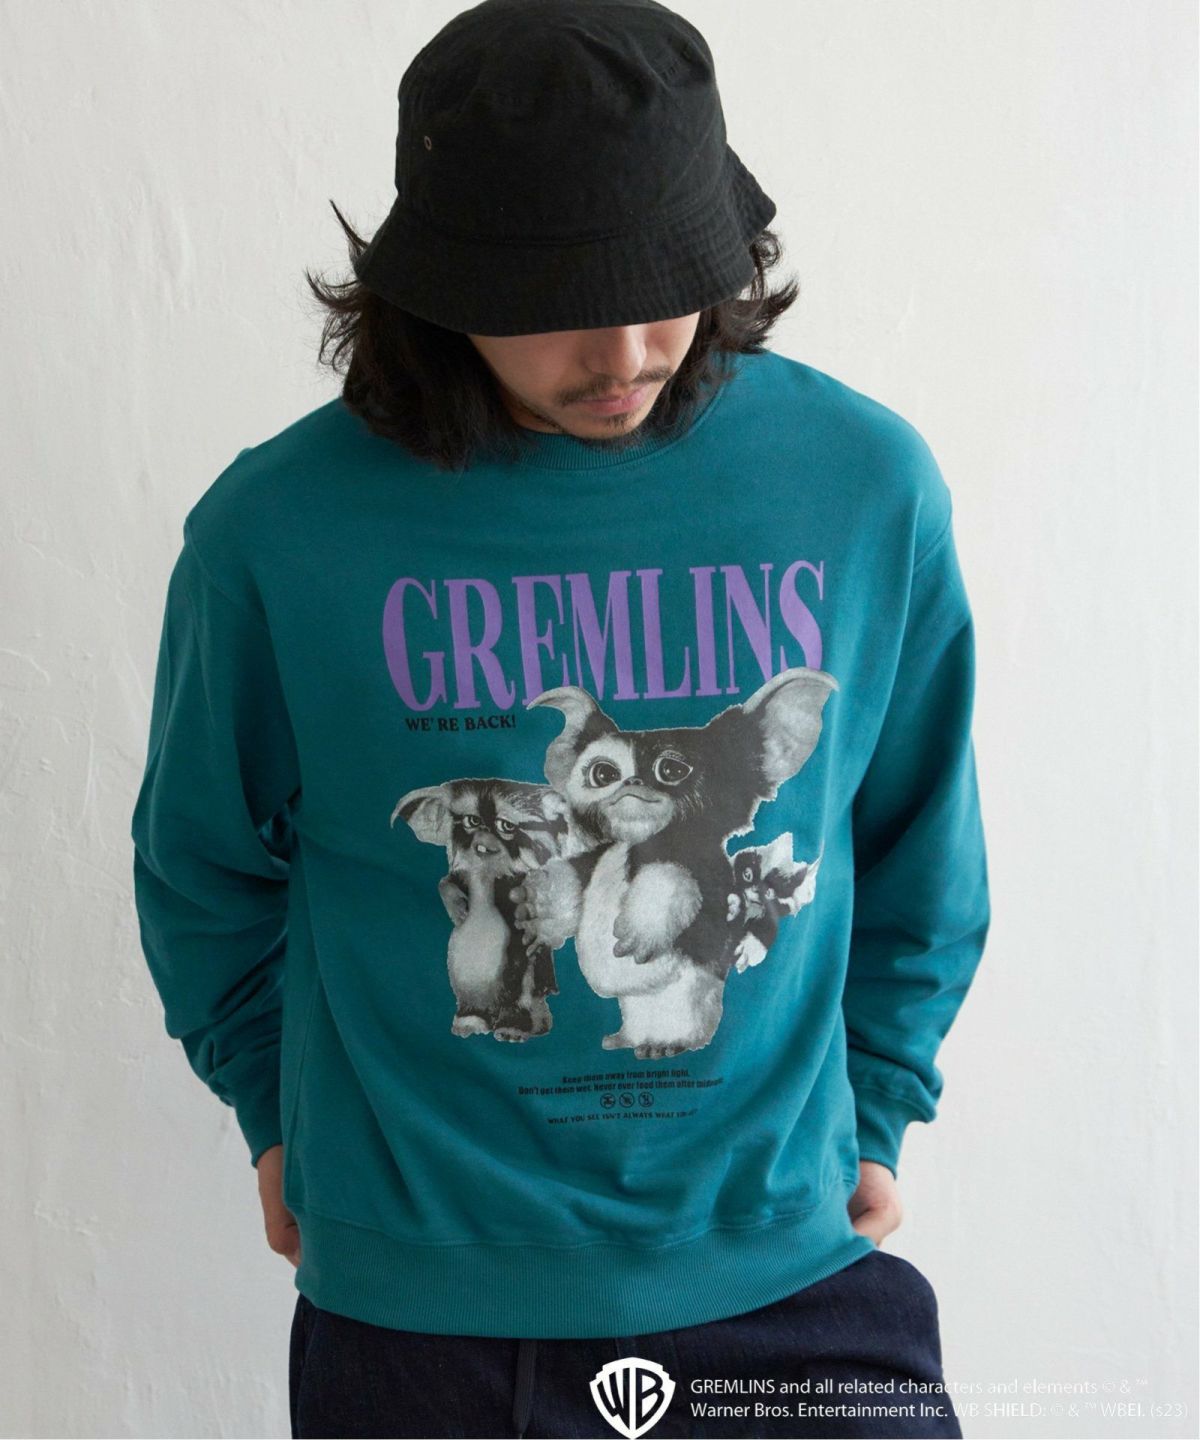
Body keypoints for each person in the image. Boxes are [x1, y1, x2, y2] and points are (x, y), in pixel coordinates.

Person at [129, 0, 990, 1435]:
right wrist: (277, 1117)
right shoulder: (278, 534)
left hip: (790, 1271)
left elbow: (917, 831)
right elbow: (201, 866)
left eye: (667, 282)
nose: (628, 348)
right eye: (559, 300)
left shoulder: (861, 486)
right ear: (439, 285)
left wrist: (883, 1095)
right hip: (424, 1314)